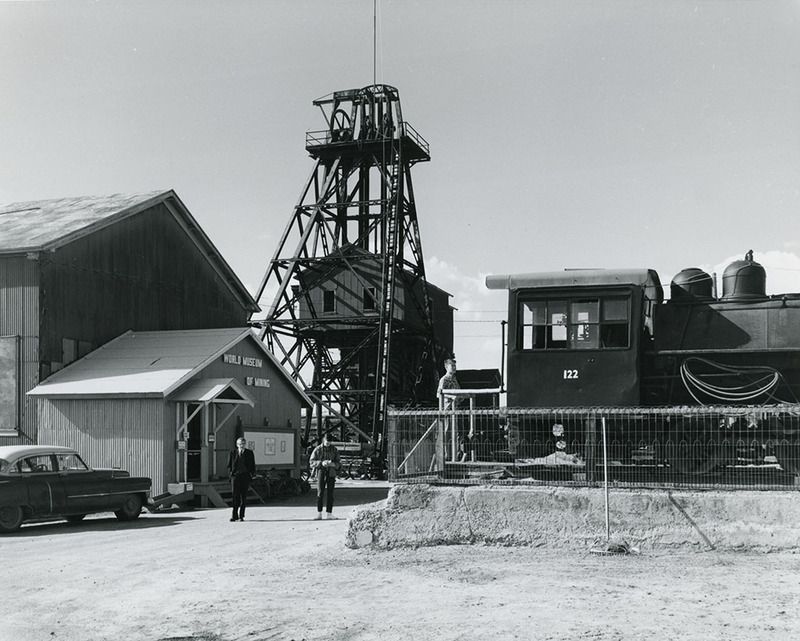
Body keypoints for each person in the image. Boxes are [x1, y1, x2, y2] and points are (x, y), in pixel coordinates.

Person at [309, 432, 341, 520]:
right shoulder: (317, 449)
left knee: (330, 494)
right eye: (327, 441)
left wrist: (333, 464)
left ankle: (329, 514)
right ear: (324, 440)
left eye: (330, 442)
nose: (328, 443)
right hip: (321, 471)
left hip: (331, 473)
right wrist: (321, 463)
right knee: (320, 492)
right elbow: (311, 462)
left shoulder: (334, 450)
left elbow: (338, 463)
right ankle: (319, 513)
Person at [227, 437, 255, 522]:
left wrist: (251, 475)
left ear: (245, 444)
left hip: (245, 476)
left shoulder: (249, 453)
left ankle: (241, 515)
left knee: (243, 497)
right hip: (235, 477)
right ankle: (234, 516)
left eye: (243, 444)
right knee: (235, 497)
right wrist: (230, 475)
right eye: (239, 444)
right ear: (237, 445)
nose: (241, 445)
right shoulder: (233, 452)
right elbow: (229, 465)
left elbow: (253, 465)